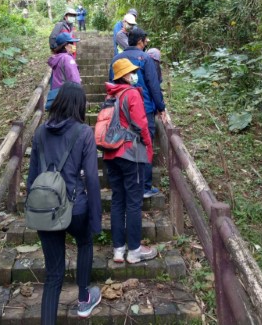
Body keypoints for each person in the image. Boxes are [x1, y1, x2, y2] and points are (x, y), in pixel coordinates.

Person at [27, 82, 102, 323]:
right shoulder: (84, 133)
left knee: (53, 274)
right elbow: (91, 178)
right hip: (76, 207)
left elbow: (32, 176)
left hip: (45, 208)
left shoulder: (39, 133)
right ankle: (83, 300)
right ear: (80, 106)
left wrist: (34, 208)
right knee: (85, 243)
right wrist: (96, 217)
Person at [102, 58, 157, 264]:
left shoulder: (110, 96)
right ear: (125, 75)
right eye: (132, 72)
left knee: (118, 201)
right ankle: (134, 251)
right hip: (130, 154)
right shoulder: (131, 93)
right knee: (134, 202)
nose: (135, 74)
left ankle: (118, 249)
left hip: (111, 155)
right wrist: (148, 149)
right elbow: (142, 124)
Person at [109, 28, 166, 198]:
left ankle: (126, 185)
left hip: (121, 109)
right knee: (145, 144)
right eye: (145, 40)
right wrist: (161, 107)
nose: (146, 43)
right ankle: (145, 187)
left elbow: (111, 84)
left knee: (123, 143)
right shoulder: (146, 58)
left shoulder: (116, 58)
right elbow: (153, 85)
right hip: (144, 108)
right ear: (140, 41)